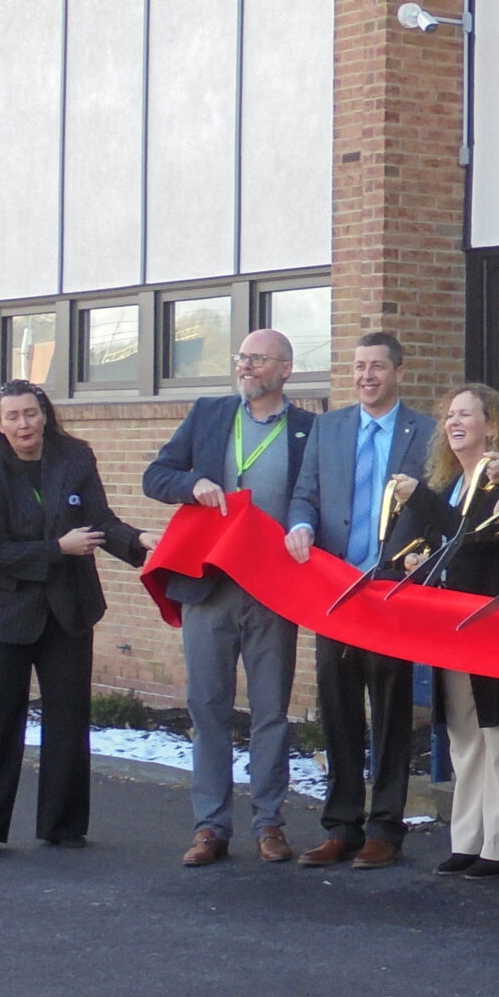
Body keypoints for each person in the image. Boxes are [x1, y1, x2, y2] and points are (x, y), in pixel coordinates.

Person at [0, 381, 155, 856]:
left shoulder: (75, 457)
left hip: (68, 609)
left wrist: (141, 541)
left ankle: (63, 826)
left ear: (44, 414)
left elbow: (101, 520)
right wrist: (55, 549)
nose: (24, 424)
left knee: (68, 719)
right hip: (3, 613)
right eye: (13, 417)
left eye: (31, 413)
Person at [143, 329, 318, 866]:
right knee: (208, 708)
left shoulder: (309, 430)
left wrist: (304, 523)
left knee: (270, 713)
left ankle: (269, 824)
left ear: (285, 369)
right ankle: (211, 828)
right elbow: (157, 475)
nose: (246, 367)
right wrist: (192, 484)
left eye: (258, 360)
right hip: (209, 585)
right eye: (241, 358)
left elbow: (314, 495)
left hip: (272, 590)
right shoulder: (210, 414)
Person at [283, 332, 434, 868]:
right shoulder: (329, 427)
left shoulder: (426, 433)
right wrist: (300, 524)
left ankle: (385, 830)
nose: (366, 376)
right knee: (339, 711)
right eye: (358, 366)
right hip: (337, 593)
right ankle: (342, 825)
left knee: (392, 713)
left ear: (397, 372)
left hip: (392, 592)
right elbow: (305, 494)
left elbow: (438, 508)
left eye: (376, 366)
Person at [388, 385, 499, 879]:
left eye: (465, 415)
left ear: (492, 426)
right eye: (448, 414)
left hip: (496, 625)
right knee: (464, 737)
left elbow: (476, 538)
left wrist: (426, 505)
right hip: (450, 626)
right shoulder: (451, 483)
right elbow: (441, 542)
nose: (453, 422)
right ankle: (467, 838)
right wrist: (418, 556)